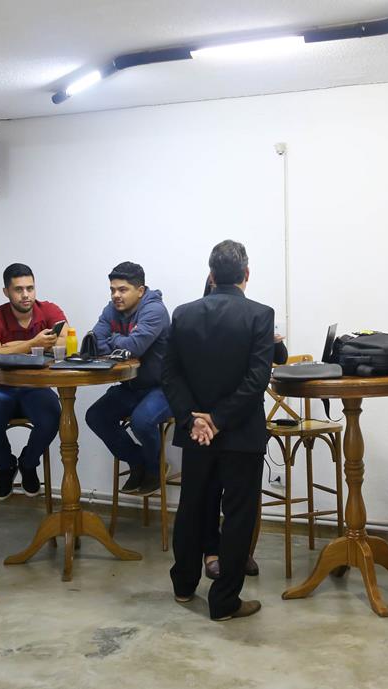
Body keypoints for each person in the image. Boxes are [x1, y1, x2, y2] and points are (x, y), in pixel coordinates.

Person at [165, 240, 274, 621]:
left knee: (192, 507)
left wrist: (195, 420)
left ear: (211, 275)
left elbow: (171, 375)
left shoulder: (183, 314)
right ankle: (224, 601)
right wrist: (220, 419)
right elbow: (257, 379)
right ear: (246, 274)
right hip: (241, 432)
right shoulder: (260, 315)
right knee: (239, 515)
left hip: (196, 434)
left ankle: (183, 586)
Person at [200, 277, 288, 580]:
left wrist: (274, 340)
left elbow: (280, 358)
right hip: (207, 419)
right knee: (211, 491)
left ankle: (238, 552)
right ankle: (212, 552)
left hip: (243, 416)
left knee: (243, 496)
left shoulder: (254, 315)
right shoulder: (197, 319)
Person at [0, 263, 67, 500]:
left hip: (36, 387)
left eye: (30, 288)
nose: (26, 294)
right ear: (6, 292)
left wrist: (8, 348)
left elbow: (65, 343)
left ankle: (28, 463)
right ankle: (6, 466)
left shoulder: (49, 310)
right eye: (18, 289)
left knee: (52, 418)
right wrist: (33, 344)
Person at [84, 262, 172, 495]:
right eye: (112, 290)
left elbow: (134, 347)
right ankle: (138, 461)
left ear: (140, 291)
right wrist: (120, 343)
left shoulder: (155, 310)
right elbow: (94, 343)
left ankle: (154, 468)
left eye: (122, 290)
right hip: (131, 385)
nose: (116, 295)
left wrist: (113, 340)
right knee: (95, 417)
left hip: (163, 387)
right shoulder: (111, 309)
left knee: (141, 421)